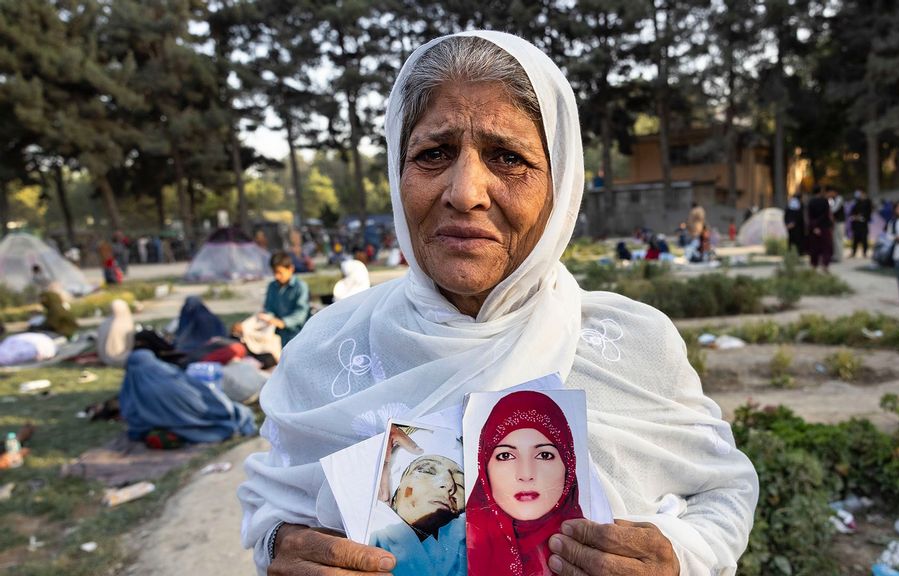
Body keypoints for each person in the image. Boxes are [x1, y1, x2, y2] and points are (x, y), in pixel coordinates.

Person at [239, 31, 756, 576]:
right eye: (433, 153)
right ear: (398, 171)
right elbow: (269, 508)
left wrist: (675, 555)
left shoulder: (633, 343)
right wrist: (282, 546)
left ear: (560, 186)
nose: (466, 192)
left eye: (507, 157)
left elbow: (724, 489)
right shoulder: (327, 350)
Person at [466, 391, 583, 576]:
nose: (526, 474)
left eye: (544, 455)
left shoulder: (600, 550)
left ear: (567, 466)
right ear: (484, 469)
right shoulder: (448, 551)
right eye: (506, 455)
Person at [119, 349, 257, 444]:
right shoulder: (169, 371)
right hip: (206, 407)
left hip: (178, 421)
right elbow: (199, 387)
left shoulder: (137, 386)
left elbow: (135, 419)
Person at [260, 251, 310, 347]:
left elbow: (301, 313)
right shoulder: (272, 286)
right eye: (274, 273)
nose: (277, 276)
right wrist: (267, 317)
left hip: (297, 333)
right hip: (277, 333)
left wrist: (283, 323)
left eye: (280, 273)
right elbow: (269, 307)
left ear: (291, 269)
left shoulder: (300, 287)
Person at [97, 299, 135, 368]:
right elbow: (130, 345)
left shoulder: (105, 322)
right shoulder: (125, 322)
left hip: (104, 358)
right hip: (119, 359)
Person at [806, 185, 834, 271]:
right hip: (824, 227)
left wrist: (814, 226)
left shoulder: (810, 202)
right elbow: (826, 214)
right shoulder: (825, 201)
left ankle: (814, 265)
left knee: (814, 247)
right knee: (826, 246)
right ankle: (825, 264)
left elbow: (809, 216)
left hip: (814, 228)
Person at [849, 190, 873, 258]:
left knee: (864, 239)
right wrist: (855, 217)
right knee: (855, 239)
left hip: (863, 224)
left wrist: (862, 217)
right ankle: (853, 252)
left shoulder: (868, 202)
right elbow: (852, 212)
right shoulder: (857, 202)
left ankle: (865, 252)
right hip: (856, 224)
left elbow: (868, 213)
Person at [828, 187, 845, 263]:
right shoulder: (833, 199)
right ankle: (836, 256)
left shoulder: (839, 199)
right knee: (835, 239)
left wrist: (828, 209)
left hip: (839, 222)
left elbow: (834, 209)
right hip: (836, 222)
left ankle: (839, 257)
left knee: (838, 239)